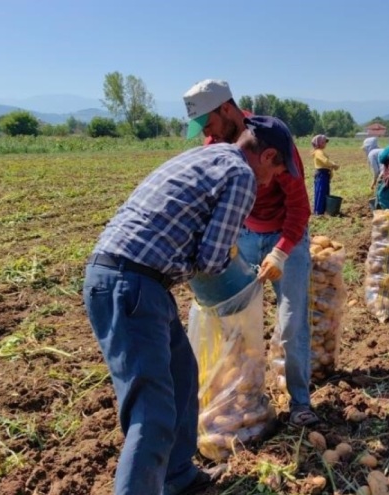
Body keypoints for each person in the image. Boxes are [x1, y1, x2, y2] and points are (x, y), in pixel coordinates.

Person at [83, 120, 291, 495]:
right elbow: (212, 259)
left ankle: (177, 475)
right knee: (152, 410)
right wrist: (239, 279)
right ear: (268, 155)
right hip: (131, 286)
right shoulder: (242, 174)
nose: (269, 181)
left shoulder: (205, 156)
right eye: (275, 171)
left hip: (129, 279)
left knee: (182, 374)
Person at [183, 79, 318, 427]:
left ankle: (300, 403)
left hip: (286, 234)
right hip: (242, 234)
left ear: (226, 110)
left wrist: (281, 252)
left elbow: (299, 209)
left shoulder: (270, 142)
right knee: (234, 324)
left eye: (209, 124)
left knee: (290, 323)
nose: (207, 134)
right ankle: (239, 402)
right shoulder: (214, 143)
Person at [311, 134, 339, 215]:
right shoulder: (318, 152)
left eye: (325, 142)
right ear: (319, 143)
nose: (325, 144)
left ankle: (321, 210)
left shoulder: (320, 151)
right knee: (321, 192)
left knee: (324, 192)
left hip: (324, 174)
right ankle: (319, 212)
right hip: (321, 174)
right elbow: (325, 161)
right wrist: (334, 165)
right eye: (324, 142)